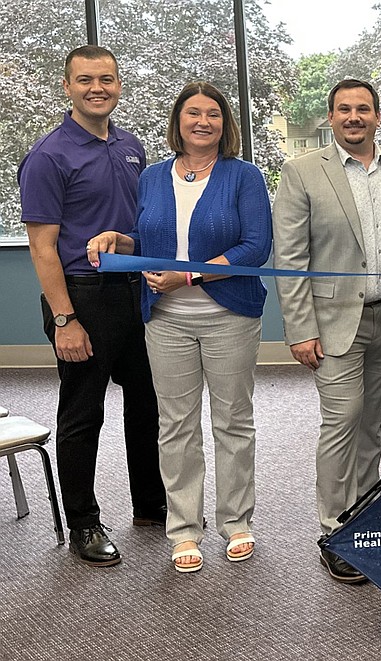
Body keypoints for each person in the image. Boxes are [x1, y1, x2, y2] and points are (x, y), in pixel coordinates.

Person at [87, 82, 272, 573]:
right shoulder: (152, 176)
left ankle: (237, 521)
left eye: (213, 114)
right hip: (166, 321)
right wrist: (121, 243)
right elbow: (149, 238)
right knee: (176, 425)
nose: (203, 122)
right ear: (179, 121)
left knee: (233, 420)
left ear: (225, 124)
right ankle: (184, 528)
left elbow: (256, 248)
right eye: (194, 113)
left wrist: (188, 274)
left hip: (229, 316)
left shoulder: (244, 176)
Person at [18, 45, 166, 567]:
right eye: (85, 80)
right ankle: (84, 523)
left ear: (119, 85)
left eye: (106, 79)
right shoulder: (48, 155)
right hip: (82, 297)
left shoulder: (131, 146)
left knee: (147, 404)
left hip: (136, 293)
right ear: (67, 86)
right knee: (84, 413)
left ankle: (152, 505)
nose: (96, 88)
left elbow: (139, 224)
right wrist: (65, 319)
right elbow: (42, 246)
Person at [273, 79, 381, 584]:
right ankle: (335, 530)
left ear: (378, 116)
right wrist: (299, 328)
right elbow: (291, 259)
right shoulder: (301, 172)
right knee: (342, 421)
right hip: (332, 321)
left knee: (371, 425)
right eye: (344, 109)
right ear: (331, 117)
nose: (354, 117)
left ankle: (366, 515)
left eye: (363, 108)